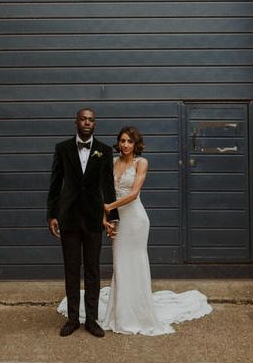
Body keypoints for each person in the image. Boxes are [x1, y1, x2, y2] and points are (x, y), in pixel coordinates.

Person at [59, 126, 212, 335]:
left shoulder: (142, 163)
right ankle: (120, 312)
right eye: (122, 141)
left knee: (136, 262)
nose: (125, 145)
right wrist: (106, 219)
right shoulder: (111, 161)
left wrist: (108, 208)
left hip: (135, 220)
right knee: (120, 264)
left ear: (136, 144)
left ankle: (138, 312)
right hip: (118, 220)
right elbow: (104, 191)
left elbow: (133, 194)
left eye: (130, 141)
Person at [47, 108, 118, 337]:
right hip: (68, 218)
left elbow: (108, 185)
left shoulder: (104, 151)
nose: (87, 122)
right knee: (71, 269)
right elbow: (55, 184)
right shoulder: (62, 148)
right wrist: (52, 214)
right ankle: (72, 319)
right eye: (83, 119)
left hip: (93, 218)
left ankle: (92, 320)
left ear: (94, 124)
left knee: (93, 270)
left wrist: (112, 217)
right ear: (76, 121)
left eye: (91, 120)